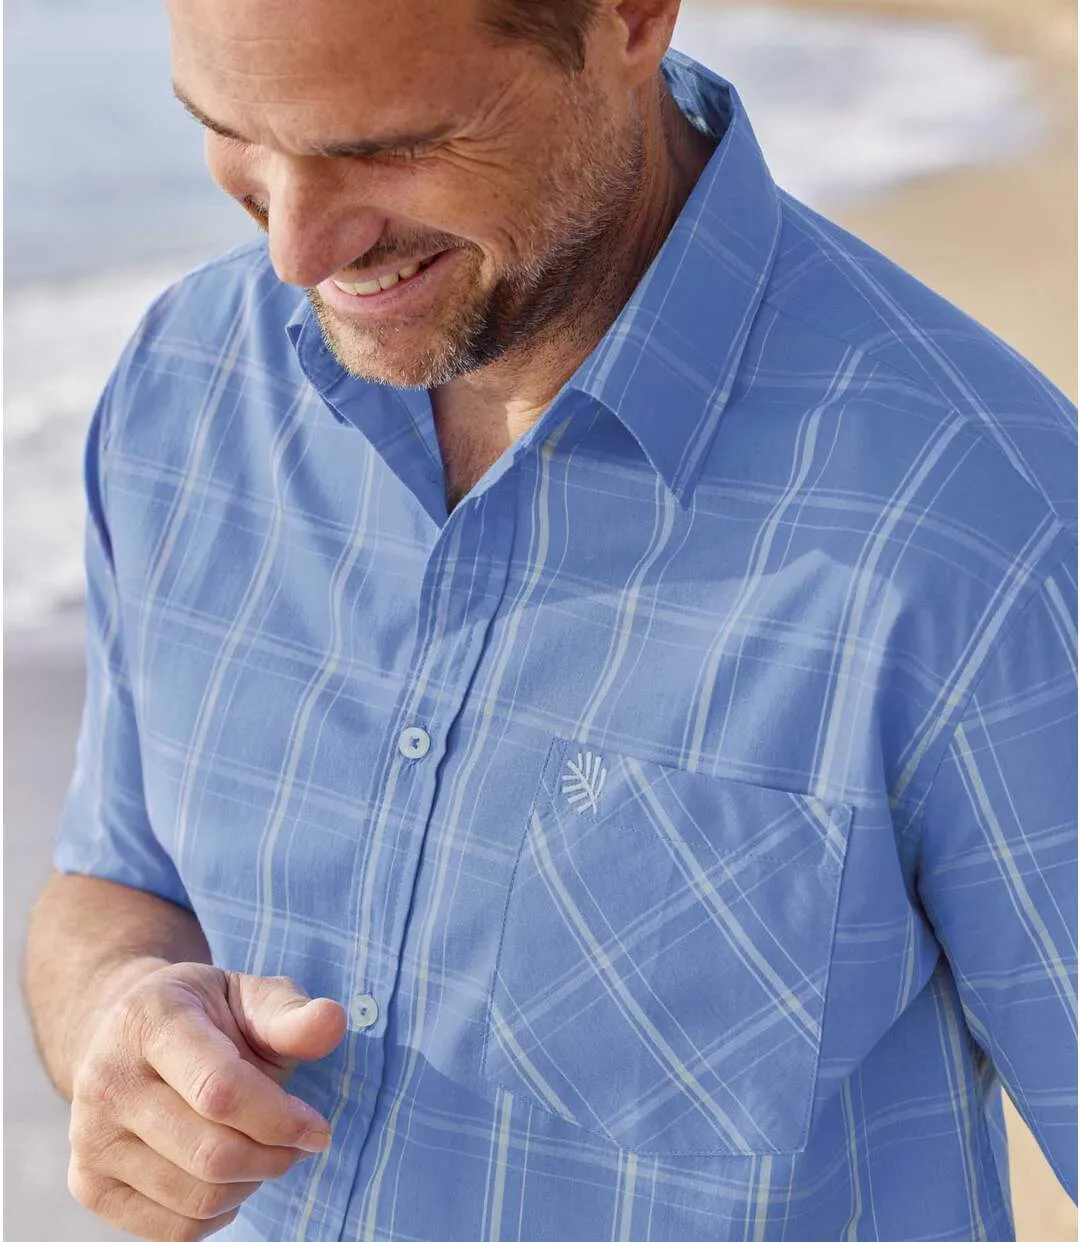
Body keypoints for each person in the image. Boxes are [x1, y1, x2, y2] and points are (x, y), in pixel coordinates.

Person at [22, 0, 1077, 1238]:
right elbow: (113, 878)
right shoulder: (184, 382)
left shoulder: (989, 528)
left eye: (384, 148)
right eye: (232, 134)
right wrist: (117, 1012)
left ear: (629, 16)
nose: (299, 253)